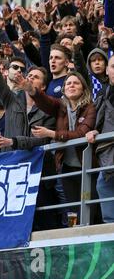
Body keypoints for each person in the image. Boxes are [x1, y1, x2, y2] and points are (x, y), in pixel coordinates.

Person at [26, 71, 96, 226]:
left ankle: (92, 243)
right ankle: (75, 242)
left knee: (90, 207)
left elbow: (81, 134)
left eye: (76, 83)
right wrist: (31, 90)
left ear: (83, 88)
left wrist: (51, 133)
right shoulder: (61, 106)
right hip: (66, 166)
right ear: (63, 89)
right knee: (71, 208)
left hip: (88, 166)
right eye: (68, 83)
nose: (71, 85)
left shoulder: (90, 107)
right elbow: (46, 101)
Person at [86, 55, 114, 224]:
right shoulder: (103, 94)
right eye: (113, 66)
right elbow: (101, 120)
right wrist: (95, 130)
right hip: (108, 155)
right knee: (103, 187)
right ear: (107, 70)